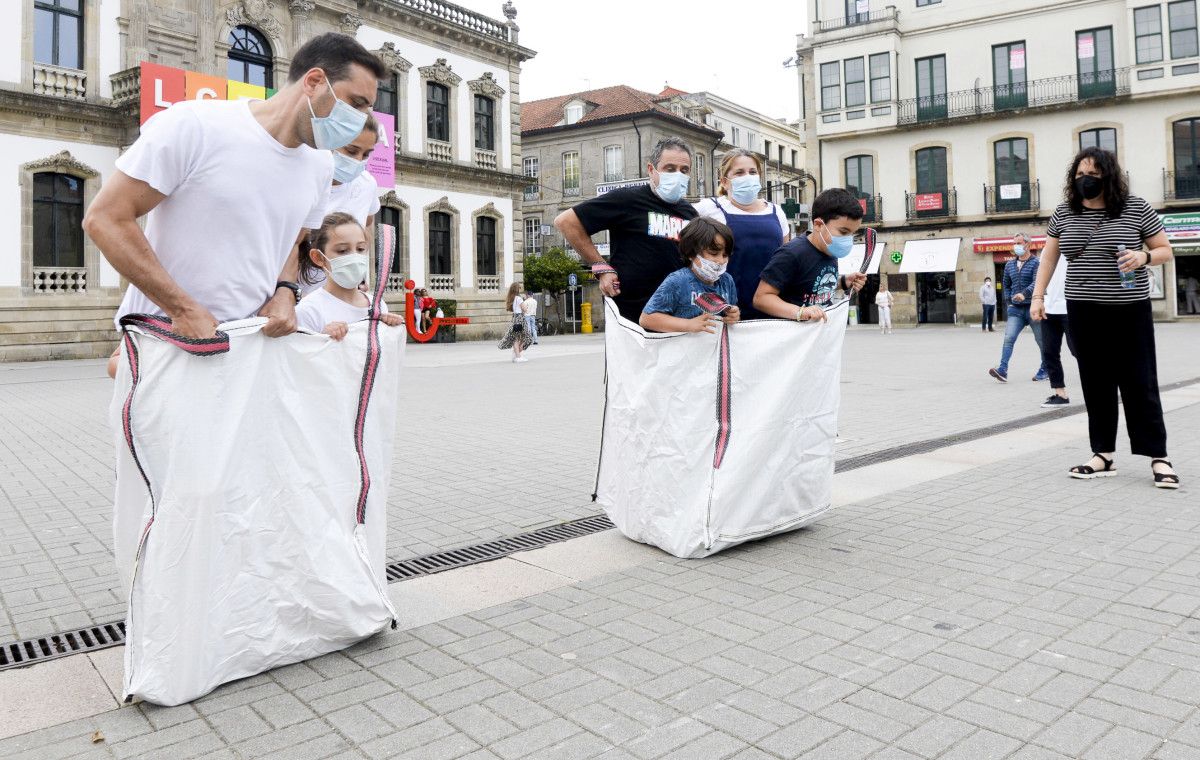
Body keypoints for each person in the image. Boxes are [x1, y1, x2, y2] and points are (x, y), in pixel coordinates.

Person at [89, 34, 385, 377]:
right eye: (357, 103)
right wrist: (182, 309)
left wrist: (286, 292)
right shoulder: (196, 125)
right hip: (168, 340)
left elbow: (292, 241)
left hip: (251, 350)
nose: (360, 118)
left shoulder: (320, 166)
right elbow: (105, 219)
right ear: (315, 82)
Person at [1031, 146, 1178, 489]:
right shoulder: (1064, 213)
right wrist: (1038, 297)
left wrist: (1143, 257)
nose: (1086, 180)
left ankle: (1158, 456)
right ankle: (1103, 454)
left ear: (1109, 176)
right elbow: (1049, 259)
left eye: (1094, 175)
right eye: (1081, 174)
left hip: (1129, 309)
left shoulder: (1135, 207)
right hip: (1082, 309)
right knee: (1095, 383)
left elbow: (1165, 250)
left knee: (1139, 382)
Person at [555, 137, 698, 322]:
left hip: (677, 317)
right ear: (651, 169)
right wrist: (601, 268)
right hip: (631, 316)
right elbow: (566, 222)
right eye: (670, 169)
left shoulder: (690, 213)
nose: (677, 175)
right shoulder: (627, 199)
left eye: (684, 170)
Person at [693, 149, 790, 320]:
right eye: (739, 172)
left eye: (752, 172)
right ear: (724, 181)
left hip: (772, 310)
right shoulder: (708, 208)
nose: (748, 176)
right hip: (726, 312)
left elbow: (786, 261)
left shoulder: (777, 212)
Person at [753, 188, 867, 322]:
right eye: (843, 232)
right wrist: (800, 312)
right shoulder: (792, 253)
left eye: (852, 233)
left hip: (817, 337)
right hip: (794, 337)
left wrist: (843, 282)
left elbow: (812, 286)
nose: (848, 239)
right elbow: (761, 298)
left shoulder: (830, 250)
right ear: (818, 225)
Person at [300, 115, 383, 296]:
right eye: (352, 151)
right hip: (299, 295)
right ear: (329, 141)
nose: (358, 160)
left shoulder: (367, 184)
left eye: (366, 154)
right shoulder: (302, 180)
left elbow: (367, 224)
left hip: (346, 296)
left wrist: (359, 274)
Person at [295, 212, 402, 338]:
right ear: (318, 257)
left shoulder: (378, 305)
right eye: (342, 251)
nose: (354, 256)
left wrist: (391, 329)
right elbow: (301, 354)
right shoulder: (308, 310)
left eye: (360, 249)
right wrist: (321, 338)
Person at [640, 217, 741, 333]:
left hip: (714, 348)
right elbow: (646, 319)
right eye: (713, 253)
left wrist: (733, 315)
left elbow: (731, 314)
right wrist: (688, 324)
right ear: (691, 253)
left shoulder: (727, 281)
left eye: (725, 255)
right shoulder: (678, 281)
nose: (720, 261)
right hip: (682, 348)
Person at [988, 233, 1047, 383]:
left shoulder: (1036, 262)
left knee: (1041, 340)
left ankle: (1045, 368)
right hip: (1015, 310)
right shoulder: (1009, 265)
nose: (1016, 246)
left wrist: (1025, 293)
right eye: (1014, 243)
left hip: (1033, 307)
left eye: (1019, 243)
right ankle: (1003, 369)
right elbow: (1006, 285)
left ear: (1028, 244)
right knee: (1008, 338)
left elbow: (1037, 282)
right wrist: (1010, 302)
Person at [1038, 256, 1075, 408]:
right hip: (1049, 308)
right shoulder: (1046, 249)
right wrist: (1037, 299)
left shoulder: (1074, 242)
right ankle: (1060, 393)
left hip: (1071, 306)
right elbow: (1040, 275)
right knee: (1049, 352)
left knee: (1078, 350)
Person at [497, 282, 531, 362]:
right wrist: (525, 306)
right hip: (520, 318)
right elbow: (525, 309)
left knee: (515, 338)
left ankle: (516, 355)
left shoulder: (511, 298)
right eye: (519, 288)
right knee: (527, 337)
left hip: (514, 318)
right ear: (517, 289)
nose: (520, 289)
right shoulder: (519, 298)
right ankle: (518, 355)